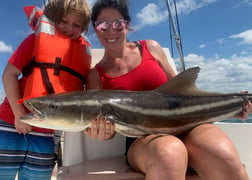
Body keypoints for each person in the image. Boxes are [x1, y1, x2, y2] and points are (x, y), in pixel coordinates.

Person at [84, 0, 251, 179]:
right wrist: (102, 133)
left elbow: (181, 91)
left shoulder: (151, 48)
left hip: (190, 126)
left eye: (118, 23)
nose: (111, 30)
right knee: (168, 155)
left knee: (222, 156)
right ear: (95, 28)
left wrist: (233, 106)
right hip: (142, 139)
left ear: (127, 24)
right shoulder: (95, 75)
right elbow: (104, 126)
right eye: (103, 25)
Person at [0, 0, 91, 179]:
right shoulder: (35, 40)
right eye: (64, 21)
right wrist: (19, 115)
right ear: (53, 19)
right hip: (11, 122)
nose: (69, 28)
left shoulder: (83, 54)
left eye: (76, 25)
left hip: (46, 132)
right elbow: (8, 74)